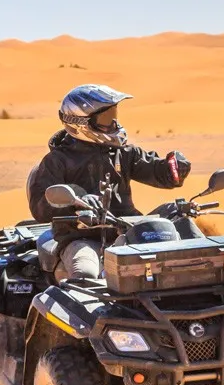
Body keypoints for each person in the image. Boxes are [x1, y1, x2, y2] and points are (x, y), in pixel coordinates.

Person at [25, 84, 190, 282]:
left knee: (182, 235)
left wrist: (174, 169)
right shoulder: (57, 161)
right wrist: (76, 201)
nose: (113, 123)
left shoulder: (123, 153)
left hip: (130, 234)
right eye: (105, 119)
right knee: (85, 273)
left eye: (114, 116)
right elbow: (40, 206)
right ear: (80, 122)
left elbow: (156, 171)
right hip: (81, 238)